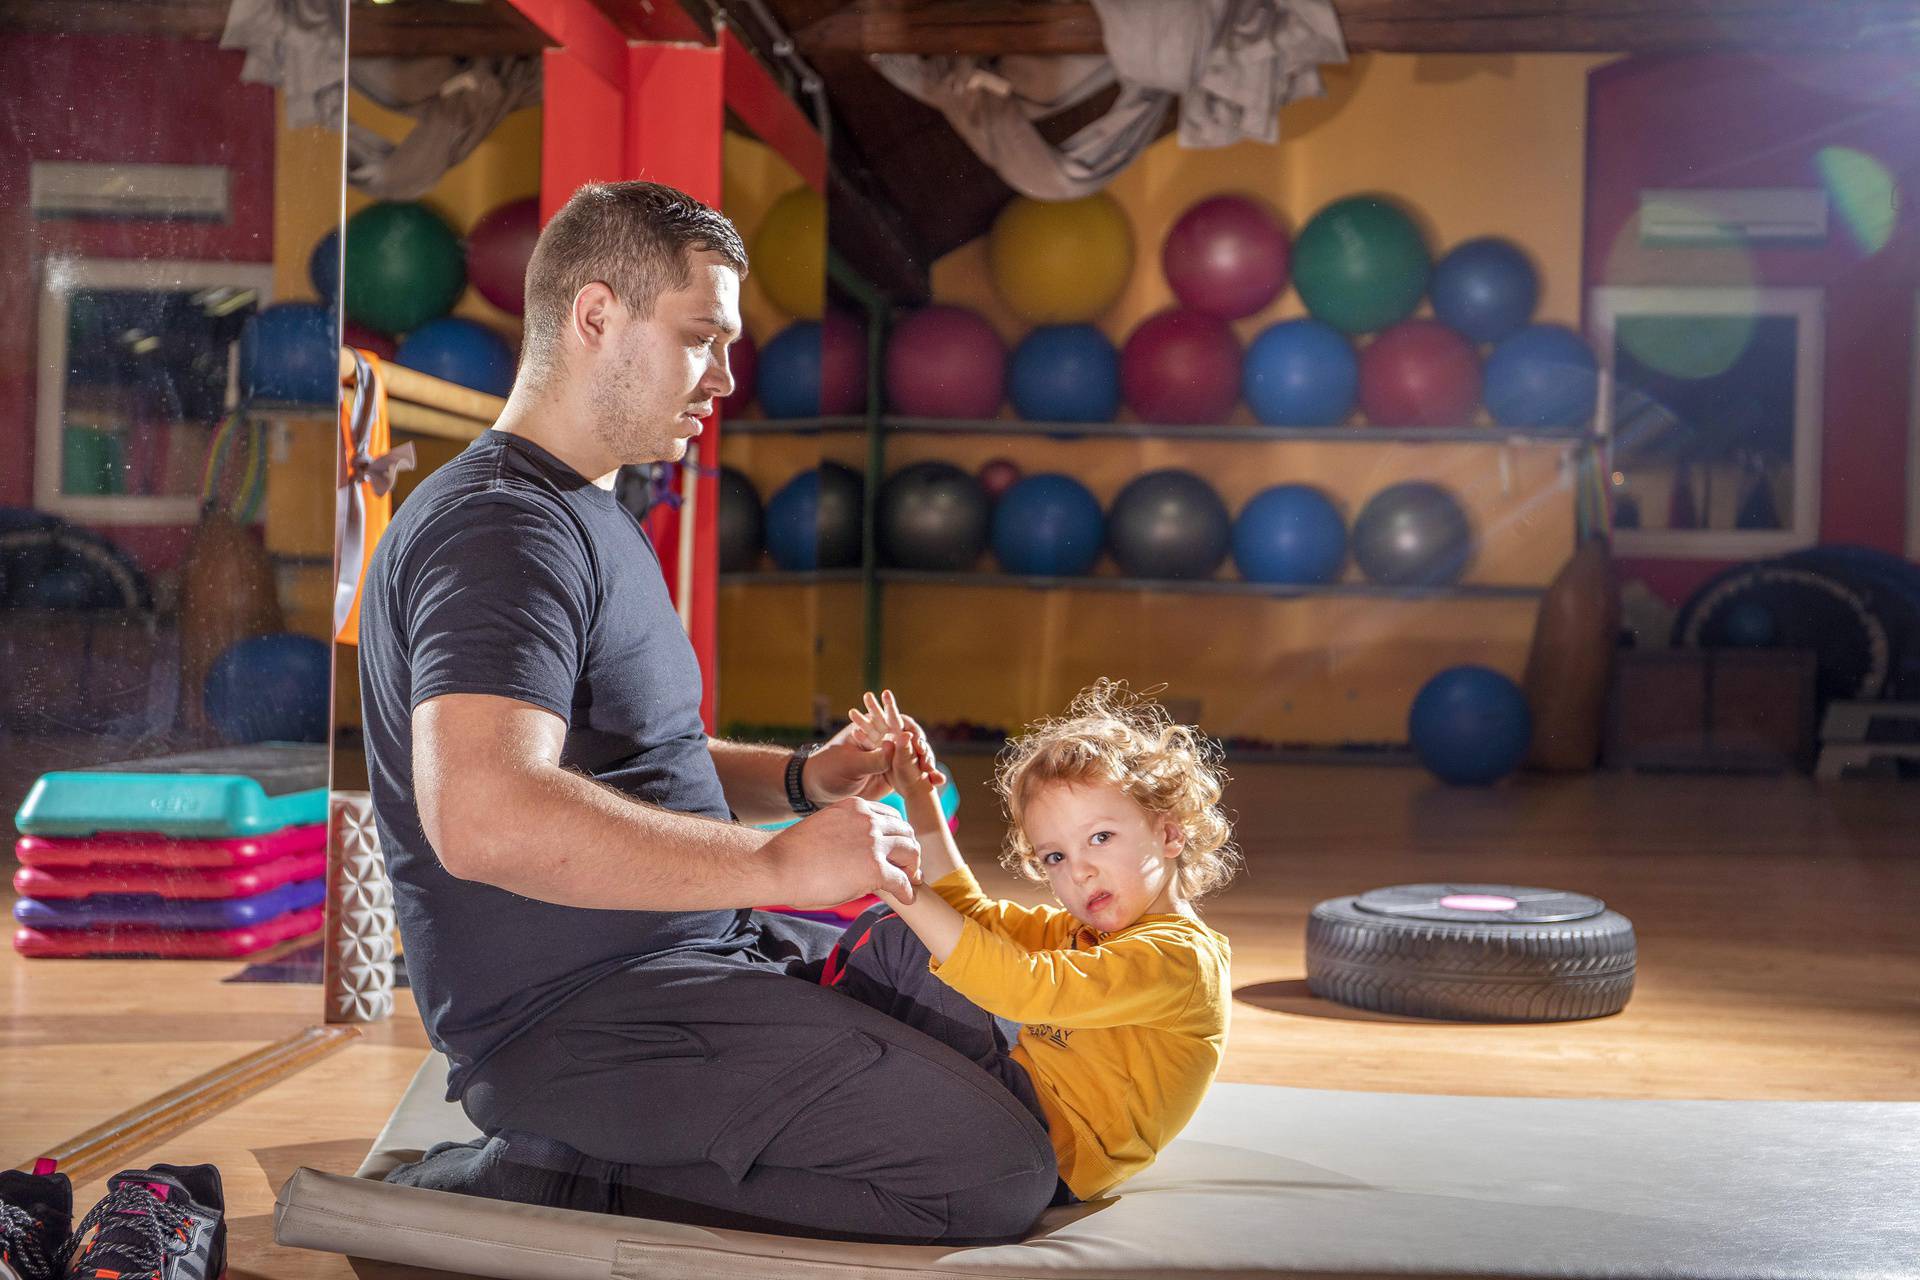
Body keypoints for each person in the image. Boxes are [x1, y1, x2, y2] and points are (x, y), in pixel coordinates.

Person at [356, 180, 1057, 1244]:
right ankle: (537, 1180)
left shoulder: (588, 508)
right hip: (583, 1018)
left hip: (701, 953)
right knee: (992, 1173)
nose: (726, 377)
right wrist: (779, 865)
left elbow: (635, 755)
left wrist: (796, 782)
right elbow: (485, 814)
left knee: (1011, 1033)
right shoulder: (501, 531)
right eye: (702, 338)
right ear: (596, 318)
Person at [823, 685, 1237, 1204]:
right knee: (912, 933)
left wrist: (889, 879)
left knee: (900, 941)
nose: (1080, 871)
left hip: (1041, 1144)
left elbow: (1024, 989)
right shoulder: (1089, 934)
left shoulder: (1181, 961)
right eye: (1055, 857)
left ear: (1170, 833)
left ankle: (813, 1046)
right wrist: (918, 795)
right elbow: (972, 917)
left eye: (1100, 837)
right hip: (1015, 1095)